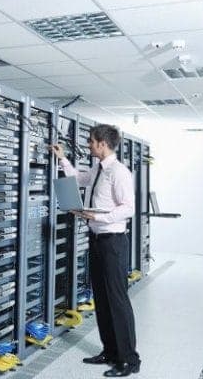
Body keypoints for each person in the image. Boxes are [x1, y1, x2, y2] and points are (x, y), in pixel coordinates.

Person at [50, 124, 140, 377]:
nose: (88, 144)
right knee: (101, 298)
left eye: (91, 141)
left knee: (117, 301)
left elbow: (128, 207)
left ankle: (129, 359)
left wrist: (99, 216)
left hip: (113, 241)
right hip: (97, 240)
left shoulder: (119, 172)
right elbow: (79, 179)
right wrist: (62, 159)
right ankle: (110, 351)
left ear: (102, 143)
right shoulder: (98, 170)